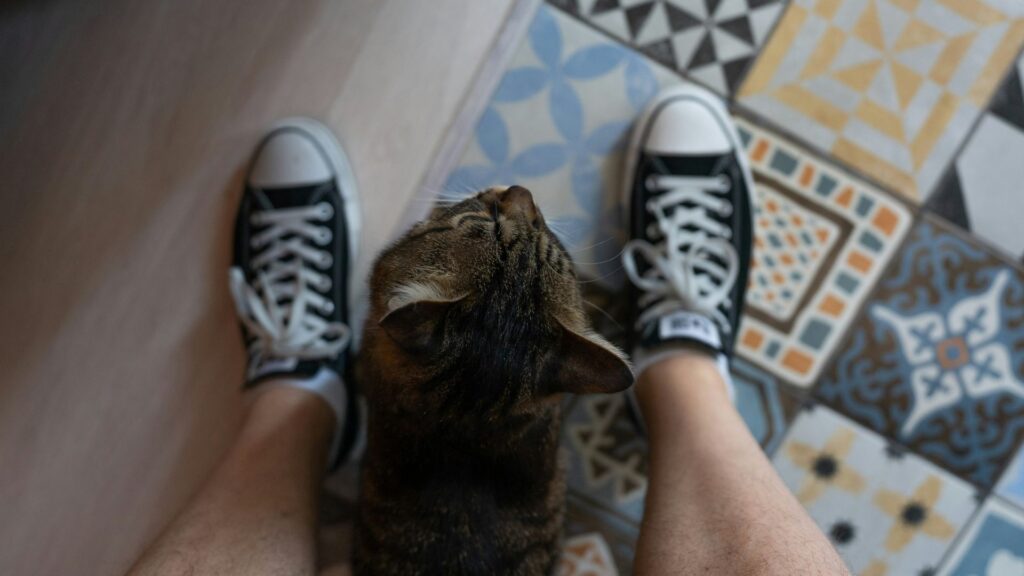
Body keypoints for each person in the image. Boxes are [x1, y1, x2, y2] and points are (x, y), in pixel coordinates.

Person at [127, 86, 849, 576]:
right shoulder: (536, 367)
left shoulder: (433, 321)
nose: (520, 197)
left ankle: (297, 398)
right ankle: (682, 370)